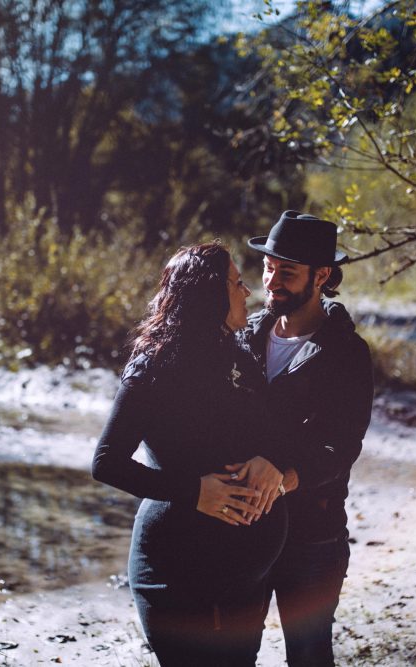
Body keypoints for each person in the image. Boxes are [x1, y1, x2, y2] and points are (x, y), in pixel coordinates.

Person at [92, 242, 290, 666]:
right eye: (237, 284)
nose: (247, 292)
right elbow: (106, 461)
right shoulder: (153, 365)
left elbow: (267, 434)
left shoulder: (240, 357)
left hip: (245, 579)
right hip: (175, 571)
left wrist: (269, 462)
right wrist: (194, 492)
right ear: (209, 294)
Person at [241, 210, 374, 666]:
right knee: (233, 652)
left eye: (287, 272)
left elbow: (343, 445)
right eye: (268, 266)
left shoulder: (347, 353)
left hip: (313, 536)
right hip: (242, 526)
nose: (272, 280)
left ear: (321, 276)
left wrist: (284, 478)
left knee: (309, 655)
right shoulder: (247, 335)